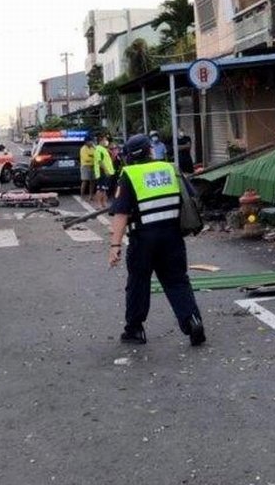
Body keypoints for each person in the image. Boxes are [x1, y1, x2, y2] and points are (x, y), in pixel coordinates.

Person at [107, 133, 205, 347]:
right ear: (150, 150)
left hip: (143, 238)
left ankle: (134, 330)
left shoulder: (129, 174)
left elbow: (121, 214)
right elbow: (189, 197)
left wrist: (115, 245)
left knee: (138, 283)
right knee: (177, 281)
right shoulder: (170, 169)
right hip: (172, 236)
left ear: (129, 157)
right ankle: (192, 321)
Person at [93, 134, 116, 208]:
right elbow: (100, 162)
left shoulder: (104, 149)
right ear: (100, 141)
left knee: (104, 188)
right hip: (102, 172)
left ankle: (104, 203)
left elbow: (108, 160)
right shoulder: (98, 149)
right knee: (100, 189)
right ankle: (99, 204)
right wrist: (105, 170)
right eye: (104, 140)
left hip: (107, 171)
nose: (106, 141)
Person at [79, 136, 97, 202]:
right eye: (90, 141)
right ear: (86, 142)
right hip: (86, 166)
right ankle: (82, 196)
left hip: (93, 166)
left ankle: (91, 196)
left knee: (93, 181)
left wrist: (92, 155)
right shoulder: (83, 149)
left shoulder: (93, 148)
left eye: (92, 141)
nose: (91, 142)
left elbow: (97, 155)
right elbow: (86, 159)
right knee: (85, 181)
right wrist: (93, 156)